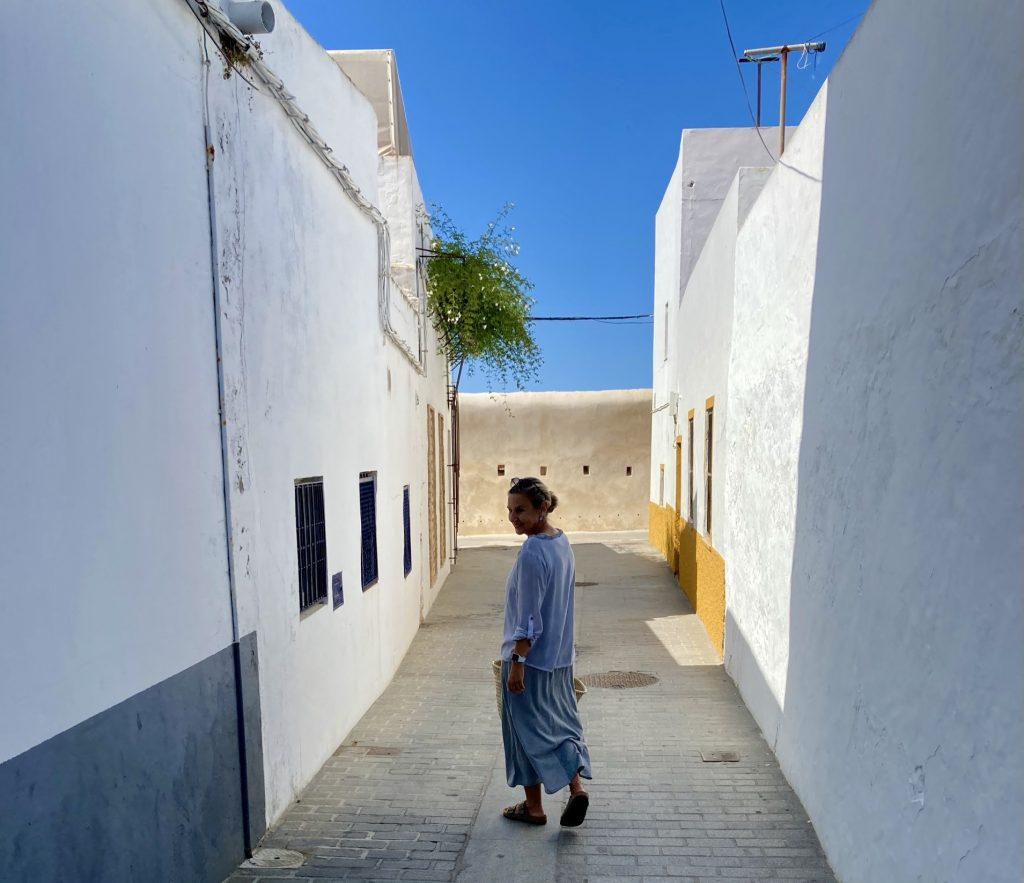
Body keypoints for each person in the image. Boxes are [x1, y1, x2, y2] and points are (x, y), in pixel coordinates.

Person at [499, 476, 592, 827]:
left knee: (524, 732)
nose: (513, 517)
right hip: (559, 661)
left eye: (520, 510)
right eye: (509, 510)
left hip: (531, 662)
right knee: (559, 727)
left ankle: (535, 806)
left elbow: (528, 618)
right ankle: (575, 787)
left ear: (542, 508)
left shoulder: (532, 552)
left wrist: (517, 664)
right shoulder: (561, 542)